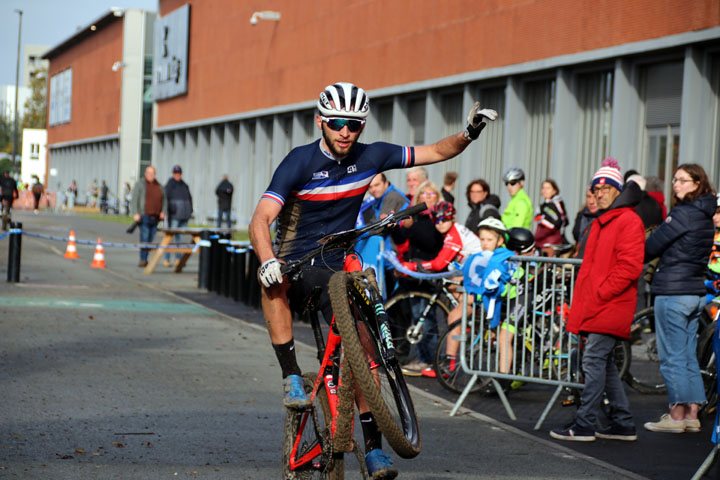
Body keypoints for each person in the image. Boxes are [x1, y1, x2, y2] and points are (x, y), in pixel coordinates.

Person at [248, 81, 496, 478]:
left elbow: (434, 151)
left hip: (339, 263)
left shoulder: (373, 155)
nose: (346, 131)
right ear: (321, 122)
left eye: (354, 124)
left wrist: (468, 133)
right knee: (270, 283)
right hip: (296, 261)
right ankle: (291, 374)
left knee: (362, 353)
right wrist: (266, 260)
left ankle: (375, 448)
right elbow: (260, 220)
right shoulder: (299, 161)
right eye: (337, 123)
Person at [550, 159, 645, 442]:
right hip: (599, 304)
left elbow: (629, 268)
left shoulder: (627, 220)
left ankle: (585, 423)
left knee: (592, 361)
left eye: (606, 188)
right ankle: (622, 422)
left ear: (618, 190)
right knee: (603, 365)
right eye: (596, 189)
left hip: (609, 304)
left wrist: (602, 292)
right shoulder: (604, 220)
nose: (600, 193)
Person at [643, 164, 716, 434]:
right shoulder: (706, 215)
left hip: (673, 292)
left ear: (697, 184)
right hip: (695, 291)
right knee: (687, 357)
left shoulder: (684, 214)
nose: (676, 184)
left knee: (672, 357)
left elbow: (651, 246)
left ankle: (675, 416)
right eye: (675, 179)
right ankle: (692, 415)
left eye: (683, 180)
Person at [398, 201, 482, 378]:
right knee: (452, 288)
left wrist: (411, 266)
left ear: (453, 218)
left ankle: (448, 366)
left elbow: (438, 264)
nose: (440, 223)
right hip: (475, 276)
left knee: (453, 317)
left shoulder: (454, 235)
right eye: (436, 220)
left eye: (445, 219)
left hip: (481, 279)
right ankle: (465, 327)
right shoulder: (450, 232)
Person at [131, 166, 166, 267]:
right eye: (149, 173)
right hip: (144, 215)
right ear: (146, 174)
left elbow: (164, 200)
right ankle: (143, 259)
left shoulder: (159, 185)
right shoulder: (140, 184)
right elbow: (135, 199)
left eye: (153, 173)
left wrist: (163, 211)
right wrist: (135, 213)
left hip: (155, 216)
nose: (151, 175)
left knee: (150, 238)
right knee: (145, 236)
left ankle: (145, 257)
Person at [163, 165, 193, 267]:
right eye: (176, 173)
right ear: (173, 174)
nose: (177, 175)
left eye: (179, 173)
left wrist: (190, 211)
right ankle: (166, 259)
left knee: (179, 239)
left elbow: (189, 198)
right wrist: (169, 210)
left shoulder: (184, 185)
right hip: (174, 215)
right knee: (170, 238)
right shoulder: (170, 185)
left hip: (184, 216)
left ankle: (178, 259)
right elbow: (165, 199)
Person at [533, 178, 567, 256]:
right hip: (542, 242)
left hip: (552, 243)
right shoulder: (542, 206)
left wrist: (538, 236)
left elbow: (559, 222)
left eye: (548, 188)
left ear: (554, 190)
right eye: (543, 188)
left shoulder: (556, 204)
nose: (545, 190)